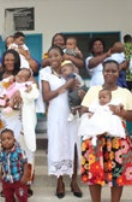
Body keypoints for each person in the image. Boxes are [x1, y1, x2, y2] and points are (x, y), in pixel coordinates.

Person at [81, 59, 132, 202]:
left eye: (114, 71)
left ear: (119, 73)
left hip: (118, 139)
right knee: (94, 173)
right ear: (103, 72)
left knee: (117, 174)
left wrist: (121, 113)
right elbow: (84, 109)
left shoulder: (125, 93)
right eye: (107, 70)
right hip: (96, 138)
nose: (110, 73)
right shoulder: (94, 90)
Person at [0, 49, 37, 197]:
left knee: (26, 150)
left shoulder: (24, 75)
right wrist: (5, 104)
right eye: (7, 59)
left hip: (23, 118)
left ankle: (26, 182)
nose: (9, 62)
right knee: (7, 151)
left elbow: (34, 89)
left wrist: (21, 93)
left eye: (12, 59)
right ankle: (7, 183)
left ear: (17, 60)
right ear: (3, 61)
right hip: (6, 119)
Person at [41, 45, 83, 198]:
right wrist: (66, 86)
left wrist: (80, 91)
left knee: (73, 144)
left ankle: (74, 180)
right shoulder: (46, 74)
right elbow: (46, 97)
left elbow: (79, 89)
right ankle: (60, 181)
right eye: (50, 56)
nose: (53, 59)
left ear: (62, 56)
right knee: (57, 145)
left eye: (56, 55)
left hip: (71, 113)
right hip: (56, 114)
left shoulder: (70, 72)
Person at [0, 128, 28, 202]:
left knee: (22, 196)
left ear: (14, 140)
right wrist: (1, 174)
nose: (6, 141)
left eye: (9, 138)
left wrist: (25, 175)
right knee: (8, 197)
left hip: (18, 180)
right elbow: (2, 164)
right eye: (3, 139)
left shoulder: (19, 151)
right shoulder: (1, 153)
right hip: (6, 180)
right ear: (1, 142)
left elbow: (25, 163)